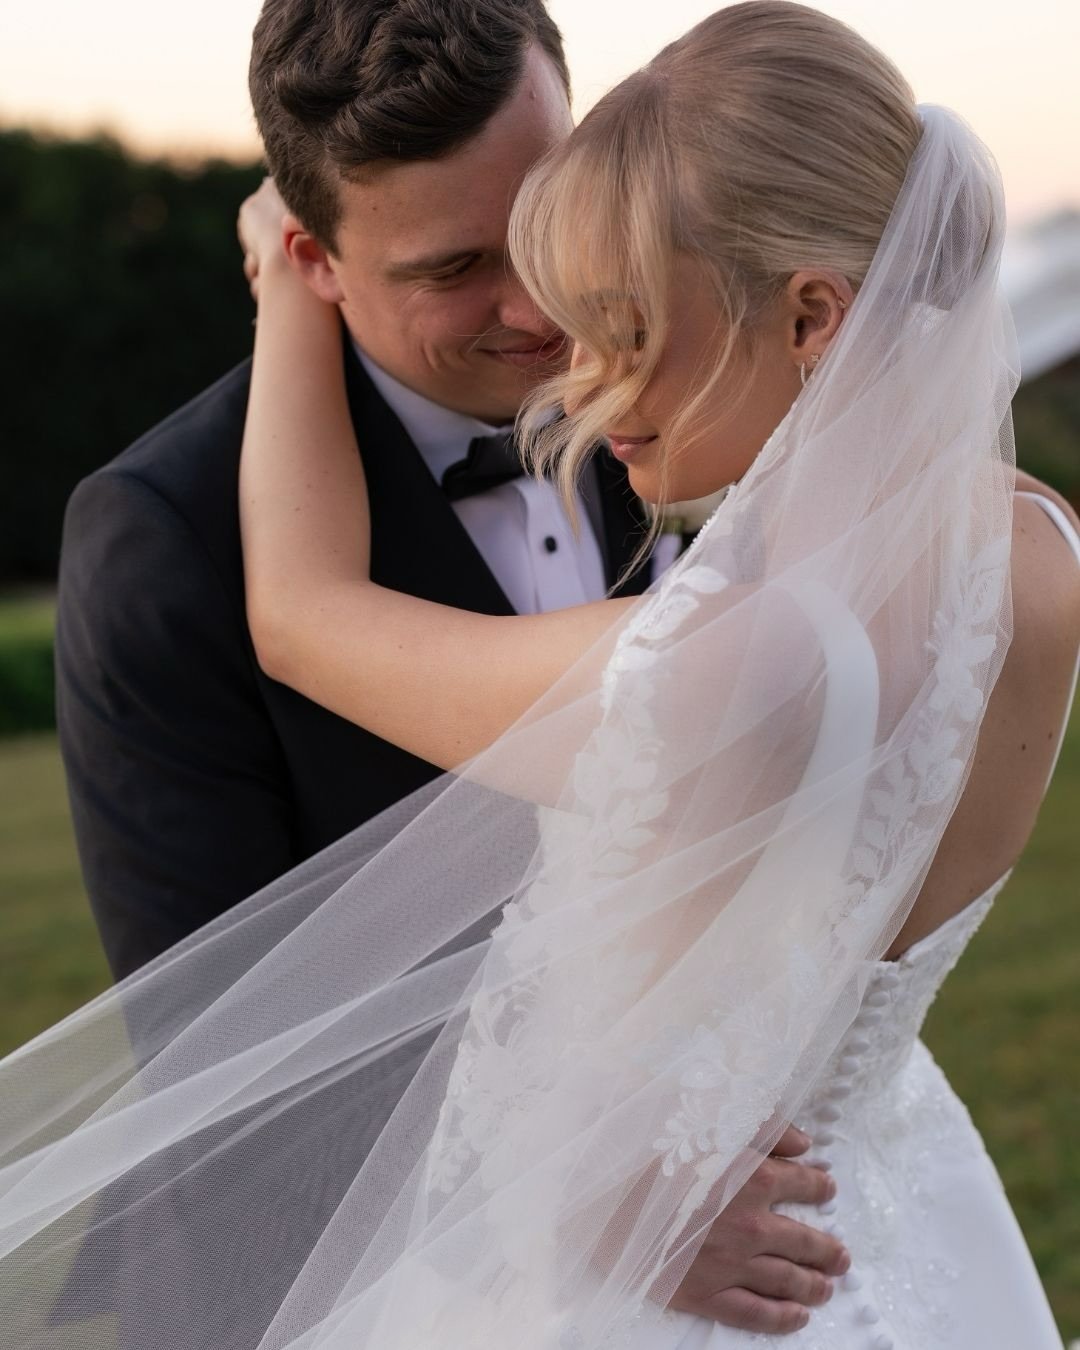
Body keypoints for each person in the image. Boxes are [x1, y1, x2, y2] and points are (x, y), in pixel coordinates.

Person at [3, 4, 1076, 1349]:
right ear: (327, 251)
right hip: (875, 1220)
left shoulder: (725, 612)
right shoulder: (1028, 538)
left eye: (600, 288)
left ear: (810, 313)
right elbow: (227, 1060)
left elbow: (309, 614)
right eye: (460, 264)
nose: (571, 356)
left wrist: (600, 1194)